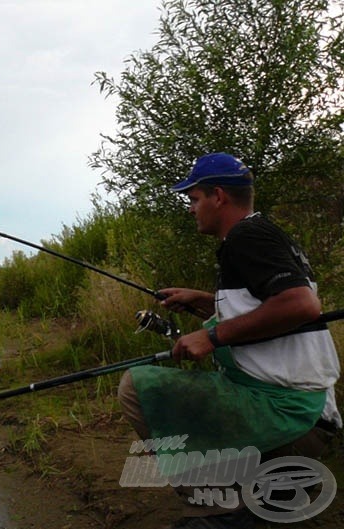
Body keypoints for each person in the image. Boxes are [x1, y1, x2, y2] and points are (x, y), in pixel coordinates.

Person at [117, 152, 341, 529]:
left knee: (137, 388)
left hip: (291, 415)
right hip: (309, 415)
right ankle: (269, 491)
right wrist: (203, 301)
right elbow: (267, 309)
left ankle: (221, 509)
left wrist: (211, 337)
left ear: (218, 196)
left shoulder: (246, 238)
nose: (191, 209)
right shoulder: (264, 235)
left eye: (194, 199)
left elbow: (301, 305)